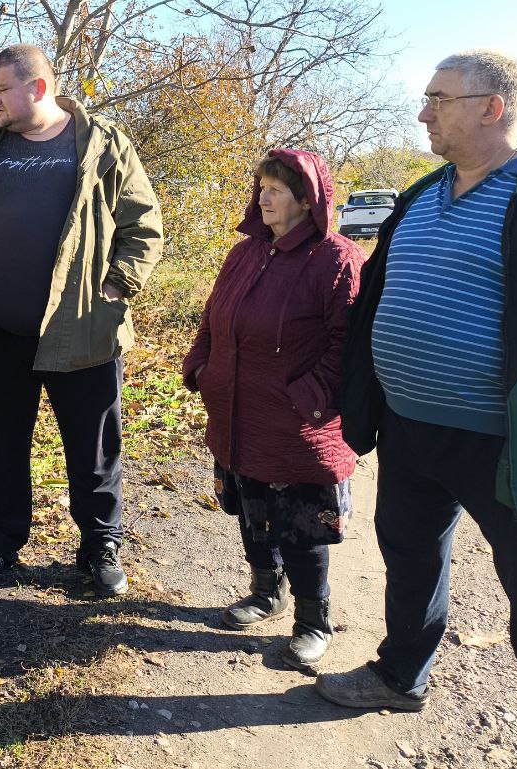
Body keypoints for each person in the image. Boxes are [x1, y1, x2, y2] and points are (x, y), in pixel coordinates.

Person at [316, 51, 517, 769]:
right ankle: (401, 675)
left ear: (493, 106)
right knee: (411, 561)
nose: (423, 112)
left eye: (438, 98)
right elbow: (375, 305)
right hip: (413, 432)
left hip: (506, 445)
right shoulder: (421, 196)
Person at [0, 44, 163, 595]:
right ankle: (0, 543)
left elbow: (144, 225)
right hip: (0, 333)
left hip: (82, 330)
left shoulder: (102, 145)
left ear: (37, 87)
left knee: (93, 446)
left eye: (0, 89)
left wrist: (116, 288)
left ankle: (100, 547)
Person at [181, 150, 364, 671]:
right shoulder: (244, 254)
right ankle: (267, 593)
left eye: (277, 189)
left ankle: (313, 621)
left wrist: (309, 396)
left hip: (298, 424)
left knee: (302, 526)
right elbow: (214, 318)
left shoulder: (338, 260)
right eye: (261, 186)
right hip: (238, 412)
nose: (263, 197)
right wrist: (201, 364)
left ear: (308, 201)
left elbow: (348, 344)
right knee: (252, 512)